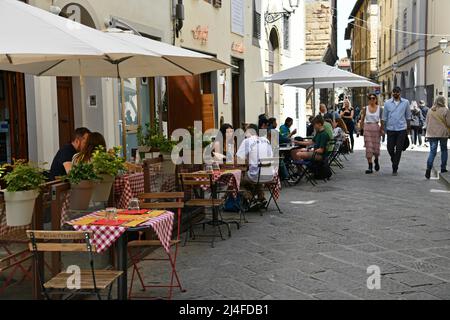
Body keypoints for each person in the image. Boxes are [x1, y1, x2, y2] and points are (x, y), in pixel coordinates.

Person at [236, 124, 275, 203]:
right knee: (257, 174)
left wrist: (246, 162)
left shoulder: (247, 141)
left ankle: (251, 199)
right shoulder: (266, 140)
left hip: (255, 176)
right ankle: (261, 197)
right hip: (270, 175)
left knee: (236, 181)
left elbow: (238, 159)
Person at [383, 86, 411, 176]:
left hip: (401, 129)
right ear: (392, 93)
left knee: (399, 149)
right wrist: (383, 129)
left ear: (400, 93)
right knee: (390, 148)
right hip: (390, 129)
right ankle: (394, 159)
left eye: (397, 92)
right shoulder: (387, 103)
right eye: (394, 92)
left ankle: (395, 167)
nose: (395, 93)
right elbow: (384, 117)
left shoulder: (406, 102)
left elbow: (408, 116)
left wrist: (408, 128)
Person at [424, 96, 450, 179]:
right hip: (443, 133)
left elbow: (427, 122)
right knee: (444, 150)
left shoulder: (430, 110)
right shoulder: (446, 110)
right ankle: (443, 168)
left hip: (432, 134)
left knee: (432, 151)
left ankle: (428, 169)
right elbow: (449, 123)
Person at [360, 94, 384, 174]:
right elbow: (362, 119)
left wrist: (382, 129)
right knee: (369, 148)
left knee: (376, 149)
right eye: (370, 98)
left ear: (376, 99)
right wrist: (361, 129)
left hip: (376, 129)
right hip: (367, 129)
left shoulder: (380, 109)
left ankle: (376, 160)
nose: (372, 100)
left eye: (373, 98)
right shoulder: (365, 108)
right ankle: (370, 166)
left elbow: (382, 119)